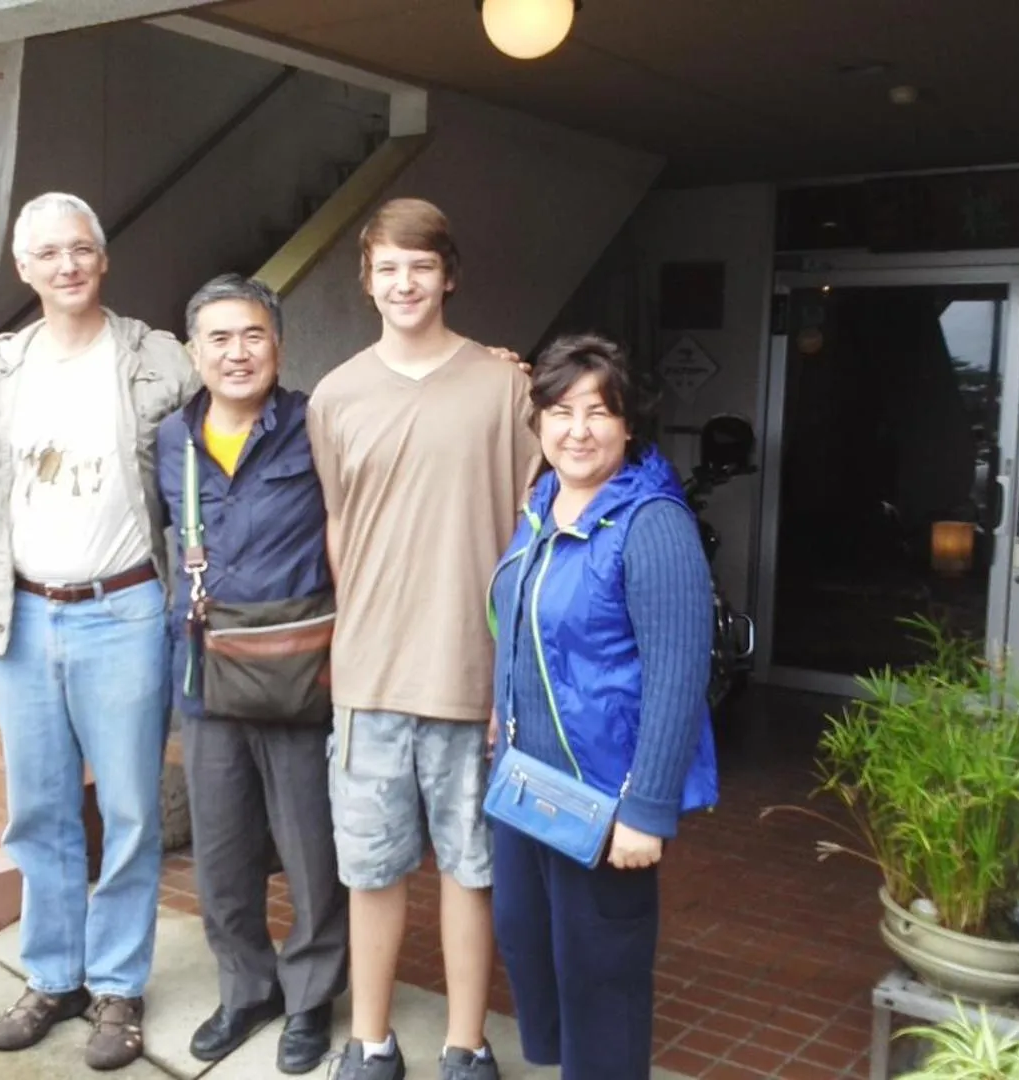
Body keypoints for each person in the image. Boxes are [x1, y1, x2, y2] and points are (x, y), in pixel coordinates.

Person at [0, 191, 199, 1072]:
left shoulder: (158, 359)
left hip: (125, 608)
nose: (67, 266)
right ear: (23, 269)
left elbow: (241, 412)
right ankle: (53, 974)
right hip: (21, 612)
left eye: (81, 249)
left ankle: (118, 986)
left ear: (103, 257)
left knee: (129, 810)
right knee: (40, 809)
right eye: (48, 254)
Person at [306, 198, 542, 1080]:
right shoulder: (335, 395)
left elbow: (531, 528)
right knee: (369, 871)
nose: (405, 283)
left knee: (470, 870)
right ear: (366, 281)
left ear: (448, 273)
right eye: (386, 268)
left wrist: (509, 674)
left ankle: (465, 1042)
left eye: (420, 265)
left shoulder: (505, 387)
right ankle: (369, 1041)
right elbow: (339, 524)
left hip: (469, 675)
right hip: (369, 677)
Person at [487, 334, 719, 1079]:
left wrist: (646, 808)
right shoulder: (542, 506)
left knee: (601, 985)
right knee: (533, 955)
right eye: (559, 411)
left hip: (604, 798)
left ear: (627, 425)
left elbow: (678, 677)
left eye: (598, 412)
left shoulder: (653, 524)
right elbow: (518, 628)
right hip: (529, 789)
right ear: (537, 423)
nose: (577, 429)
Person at [155, 274, 346, 1075]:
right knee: (222, 848)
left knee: (310, 848)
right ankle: (246, 988)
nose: (237, 353)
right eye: (219, 339)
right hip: (206, 671)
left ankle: (309, 999)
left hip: (298, 667)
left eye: (252, 335)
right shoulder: (170, 437)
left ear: (279, 343)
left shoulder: (318, 425)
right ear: (194, 352)